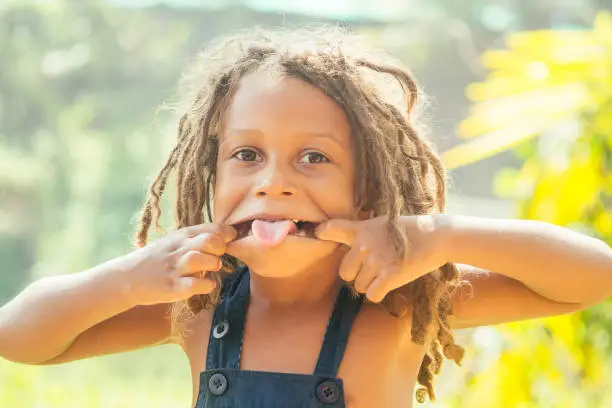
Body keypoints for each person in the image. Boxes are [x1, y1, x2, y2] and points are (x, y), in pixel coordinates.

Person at [0, 25, 611, 408]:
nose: (273, 183)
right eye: (247, 155)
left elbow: (595, 276)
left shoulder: (399, 303)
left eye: (313, 158)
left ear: (368, 195)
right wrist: (127, 278)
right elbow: (21, 340)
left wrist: (435, 236)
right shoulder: (198, 306)